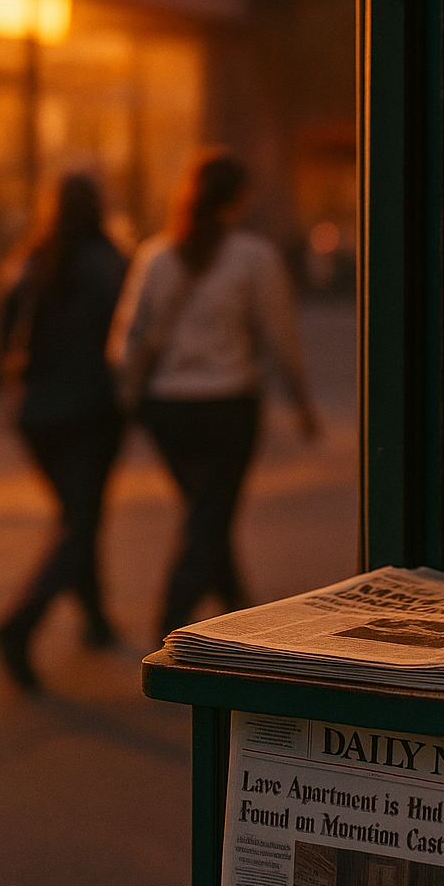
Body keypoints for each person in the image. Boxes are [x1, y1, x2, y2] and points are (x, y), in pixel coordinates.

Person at [109, 150, 320, 640]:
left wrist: (131, 389)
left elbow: (126, 338)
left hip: (166, 409)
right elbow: (281, 336)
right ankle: (169, 620)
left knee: (206, 507)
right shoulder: (254, 257)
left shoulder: (156, 256)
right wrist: (302, 403)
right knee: (210, 511)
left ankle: (235, 604)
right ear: (239, 198)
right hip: (228, 404)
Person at [0, 174, 128, 690]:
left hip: (33, 413)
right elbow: (125, 334)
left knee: (77, 511)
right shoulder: (108, 260)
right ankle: (19, 624)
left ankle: (95, 619)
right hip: (90, 412)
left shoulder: (28, 258)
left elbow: (4, 334)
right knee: (82, 517)